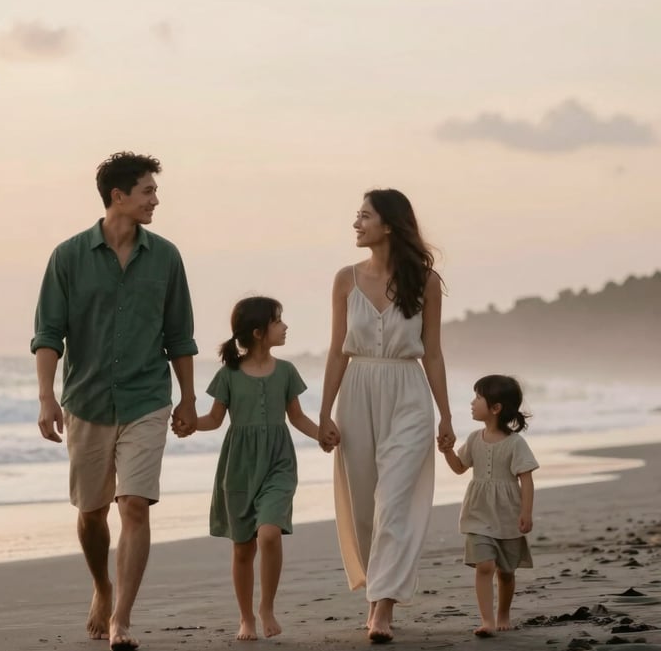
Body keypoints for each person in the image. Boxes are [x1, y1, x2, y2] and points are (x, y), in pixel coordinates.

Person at [31, 151, 198, 651]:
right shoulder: (68, 256)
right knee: (91, 512)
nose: (155, 200)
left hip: (147, 398)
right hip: (86, 400)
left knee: (135, 506)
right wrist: (46, 397)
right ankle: (102, 587)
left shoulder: (166, 257)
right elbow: (49, 334)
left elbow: (180, 335)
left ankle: (121, 618)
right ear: (117, 197)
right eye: (147, 191)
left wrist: (188, 398)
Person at [318, 189, 454, 644]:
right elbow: (338, 351)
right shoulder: (344, 279)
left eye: (364, 216)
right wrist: (323, 411)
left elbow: (433, 354)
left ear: (389, 225)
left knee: (393, 500)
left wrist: (446, 416)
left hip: (409, 393)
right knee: (364, 504)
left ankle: (382, 609)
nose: (356, 224)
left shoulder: (426, 283)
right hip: (356, 391)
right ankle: (377, 592)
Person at [190, 296, 319, 641]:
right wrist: (190, 424)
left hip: (278, 462)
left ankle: (267, 607)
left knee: (269, 534)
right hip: (239, 468)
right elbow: (214, 420)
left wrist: (323, 434)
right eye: (279, 321)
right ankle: (246, 617)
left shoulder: (287, 371)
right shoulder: (229, 374)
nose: (285, 326)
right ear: (260, 332)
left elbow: (297, 417)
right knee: (243, 547)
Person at [440, 374, 538, 637]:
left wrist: (526, 513)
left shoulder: (516, 443)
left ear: (495, 408)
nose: (472, 403)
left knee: (506, 572)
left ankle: (503, 613)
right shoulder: (474, 438)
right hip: (478, 513)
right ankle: (487, 620)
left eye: (478, 398)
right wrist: (447, 452)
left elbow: (526, 480)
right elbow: (460, 468)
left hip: (508, 515)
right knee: (484, 566)